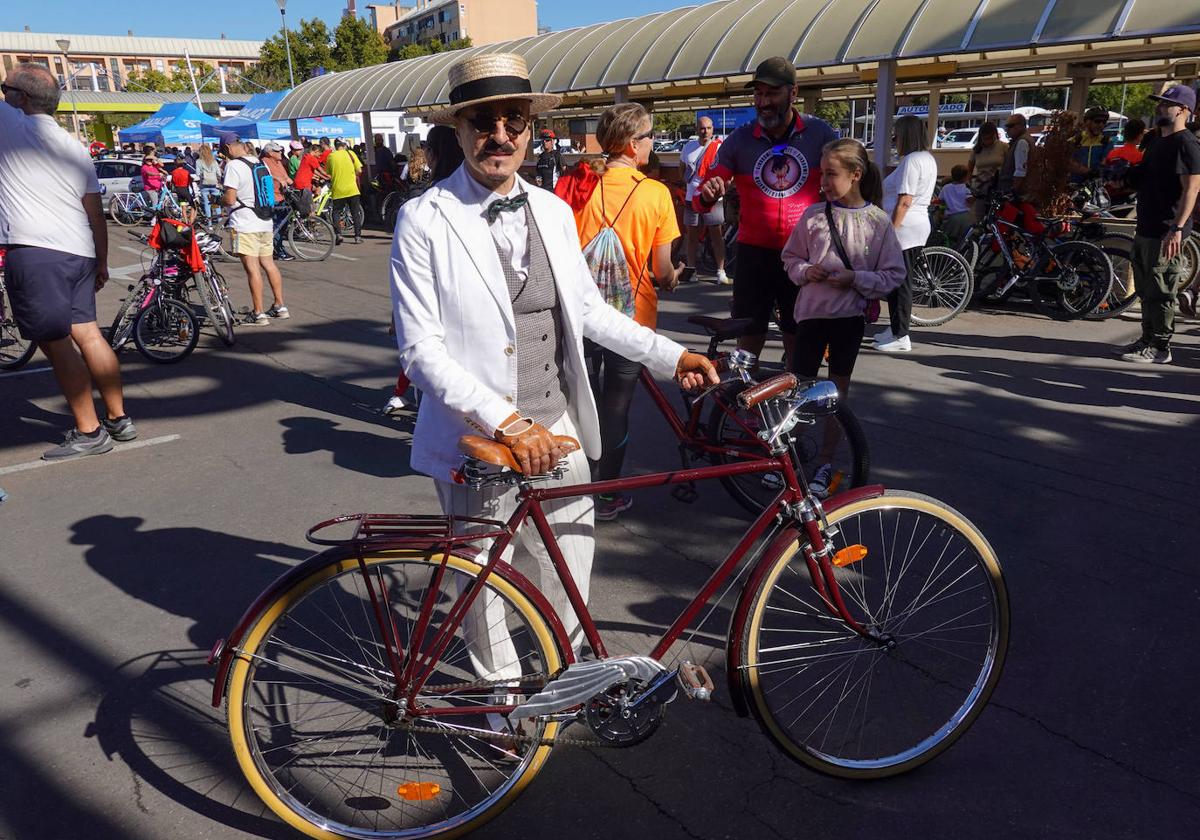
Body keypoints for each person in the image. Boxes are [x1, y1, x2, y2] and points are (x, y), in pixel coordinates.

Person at [390, 53, 717, 690]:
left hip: (558, 421)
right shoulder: (424, 220)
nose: (501, 136)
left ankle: (569, 676)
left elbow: (590, 311)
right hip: (478, 435)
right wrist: (506, 421)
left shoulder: (553, 210)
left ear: (530, 130)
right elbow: (420, 351)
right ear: (460, 132)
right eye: (484, 123)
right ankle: (503, 703)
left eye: (513, 120)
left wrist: (670, 355)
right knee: (481, 574)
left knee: (571, 558)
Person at [0, 62, 137, 459]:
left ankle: (89, 431)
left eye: (6, 88)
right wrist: (102, 261)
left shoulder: (13, 124)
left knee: (54, 340)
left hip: (37, 250)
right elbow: (94, 211)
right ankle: (118, 417)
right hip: (79, 249)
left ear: (20, 98)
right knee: (88, 333)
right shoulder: (72, 144)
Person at [567, 102, 684, 520]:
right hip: (631, 319)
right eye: (650, 136)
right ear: (633, 145)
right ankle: (606, 496)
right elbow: (662, 269)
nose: (653, 143)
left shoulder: (579, 187)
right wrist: (674, 277)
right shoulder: (654, 194)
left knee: (578, 402)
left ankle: (569, 487)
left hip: (580, 315)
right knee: (615, 407)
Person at [698, 57, 838, 369]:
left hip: (803, 253)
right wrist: (709, 192)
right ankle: (741, 400)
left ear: (793, 93)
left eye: (772, 94)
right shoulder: (740, 139)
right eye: (759, 94)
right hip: (754, 253)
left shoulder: (820, 133)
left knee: (797, 329)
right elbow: (705, 190)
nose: (764, 102)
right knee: (749, 330)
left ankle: (794, 397)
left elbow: (846, 182)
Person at [782, 138, 904, 494]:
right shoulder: (813, 215)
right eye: (822, 174)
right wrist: (806, 271)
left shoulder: (878, 222)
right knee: (801, 390)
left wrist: (857, 279)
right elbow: (790, 259)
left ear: (855, 175)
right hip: (811, 316)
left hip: (848, 320)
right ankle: (789, 458)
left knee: (836, 393)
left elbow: (893, 275)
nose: (823, 182)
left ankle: (825, 461)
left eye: (831, 174)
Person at [1112, 85, 1200, 364]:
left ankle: (1161, 347)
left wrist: (1176, 228)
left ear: (1184, 110)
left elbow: (1192, 189)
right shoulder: (1156, 141)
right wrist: (1124, 178)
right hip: (1146, 224)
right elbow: (1146, 176)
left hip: (1166, 230)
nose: (1160, 108)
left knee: (1162, 290)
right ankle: (1147, 339)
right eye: (1160, 103)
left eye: (1166, 104)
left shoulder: (1186, 144)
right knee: (1146, 288)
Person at [383, 124, 466, 417]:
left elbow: (410, 273)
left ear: (432, 154)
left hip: (435, 310)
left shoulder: (421, 209)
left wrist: (399, 312)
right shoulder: (475, 197)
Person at [874, 115, 936, 353]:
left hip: (905, 227)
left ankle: (901, 335)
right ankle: (895, 329)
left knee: (900, 282)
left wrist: (890, 231)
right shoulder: (926, 159)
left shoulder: (912, 160)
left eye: (896, 134)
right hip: (915, 225)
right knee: (898, 280)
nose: (894, 139)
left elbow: (905, 201)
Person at [218, 131, 286, 325]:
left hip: (245, 223)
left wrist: (218, 199)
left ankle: (258, 312)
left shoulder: (233, 165)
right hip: (264, 221)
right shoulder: (259, 162)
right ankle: (280, 305)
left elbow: (230, 199)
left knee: (252, 269)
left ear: (228, 148)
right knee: (269, 264)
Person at [680, 116, 729, 284]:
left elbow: (727, 173)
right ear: (696, 129)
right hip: (691, 198)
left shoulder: (719, 148)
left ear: (712, 129)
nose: (705, 131)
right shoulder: (688, 147)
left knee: (716, 235)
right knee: (691, 236)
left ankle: (720, 271)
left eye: (708, 128)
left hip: (713, 198)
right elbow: (682, 169)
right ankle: (692, 270)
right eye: (702, 128)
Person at [260, 142, 295, 263]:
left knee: (282, 225)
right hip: (272, 197)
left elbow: (287, 178)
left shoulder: (279, 162)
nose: (280, 153)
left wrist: (296, 185)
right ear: (270, 153)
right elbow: (264, 176)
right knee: (276, 225)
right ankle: (278, 251)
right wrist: (277, 179)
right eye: (277, 151)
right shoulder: (264, 162)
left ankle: (278, 248)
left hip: (282, 196)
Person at [326, 138, 363, 244]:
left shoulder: (331, 156)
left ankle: (338, 234)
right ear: (345, 145)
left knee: (336, 212)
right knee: (355, 213)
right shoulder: (350, 154)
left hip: (338, 189)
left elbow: (328, 173)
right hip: (352, 189)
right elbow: (359, 170)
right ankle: (357, 237)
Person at [966, 122, 1006, 215]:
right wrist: (968, 185)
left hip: (998, 188)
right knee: (980, 215)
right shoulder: (976, 150)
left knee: (996, 216)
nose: (987, 141)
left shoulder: (1003, 147)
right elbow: (969, 170)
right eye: (985, 139)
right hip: (980, 189)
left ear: (995, 135)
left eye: (990, 138)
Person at [1070, 107, 1114, 181]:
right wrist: (1088, 171)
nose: (1101, 125)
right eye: (1097, 121)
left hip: (1096, 185)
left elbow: (1105, 163)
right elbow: (1069, 163)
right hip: (1075, 185)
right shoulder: (1075, 140)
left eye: (1104, 122)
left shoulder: (1106, 141)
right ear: (1087, 122)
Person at [290, 141, 328, 218]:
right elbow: (319, 169)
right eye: (319, 154)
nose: (319, 156)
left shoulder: (306, 156)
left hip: (300, 183)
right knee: (309, 208)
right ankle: (311, 223)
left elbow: (314, 171)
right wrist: (328, 176)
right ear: (316, 151)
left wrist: (324, 177)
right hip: (304, 184)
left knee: (307, 204)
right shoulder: (311, 158)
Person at [936, 164, 973, 244]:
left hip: (952, 217)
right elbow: (970, 200)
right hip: (965, 216)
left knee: (950, 238)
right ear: (965, 177)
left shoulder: (946, 188)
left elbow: (940, 201)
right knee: (964, 238)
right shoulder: (965, 188)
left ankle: (950, 252)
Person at [1000, 112, 1031, 197]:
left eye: (1010, 126)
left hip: (1017, 194)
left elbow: (1020, 171)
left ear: (1020, 126)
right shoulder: (1022, 139)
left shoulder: (1022, 142)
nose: (1007, 129)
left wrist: (1012, 193)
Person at [195, 143, 222, 218]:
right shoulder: (214, 161)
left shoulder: (198, 161)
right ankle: (219, 221)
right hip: (214, 184)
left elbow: (197, 173)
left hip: (204, 184)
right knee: (215, 203)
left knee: (207, 204)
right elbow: (219, 173)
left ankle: (209, 223)